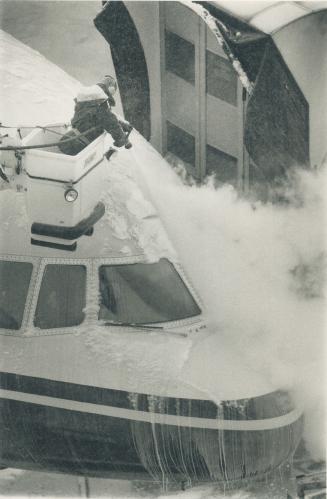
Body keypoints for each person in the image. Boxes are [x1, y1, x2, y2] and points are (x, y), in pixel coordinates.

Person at [59, 75, 132, 155]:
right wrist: (121, 139)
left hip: (69, 138)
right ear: (110, 90)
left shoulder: (87, 99)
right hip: (80, 145)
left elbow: (97, 118)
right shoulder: (101, 103)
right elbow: (111, 122)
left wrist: (121, 125)